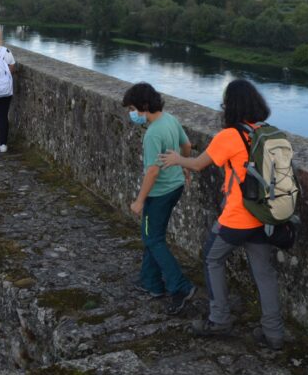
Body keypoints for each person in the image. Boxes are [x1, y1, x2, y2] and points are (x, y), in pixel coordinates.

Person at [158, 79, 285, 350]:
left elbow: (198, 164)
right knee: (264, 273)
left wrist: (176, 160)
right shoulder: (267, 133)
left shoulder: (229, 136)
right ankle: (274, 333)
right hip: (264, 216)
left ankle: (219, 320)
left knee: (211, 259)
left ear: (231, 107)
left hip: (237, 217)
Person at [122, 82, 196, 315]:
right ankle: (151, 282)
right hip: (175, 187)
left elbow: (152, 171)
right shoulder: (170, 119)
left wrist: (140, 200)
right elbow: (187, 145)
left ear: (144, 106)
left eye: (133, 108)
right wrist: (184, 166)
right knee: (152, 235)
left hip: (159, 193)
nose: (131, 114)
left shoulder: (153, 134)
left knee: (153, 239)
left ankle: (180, 286)